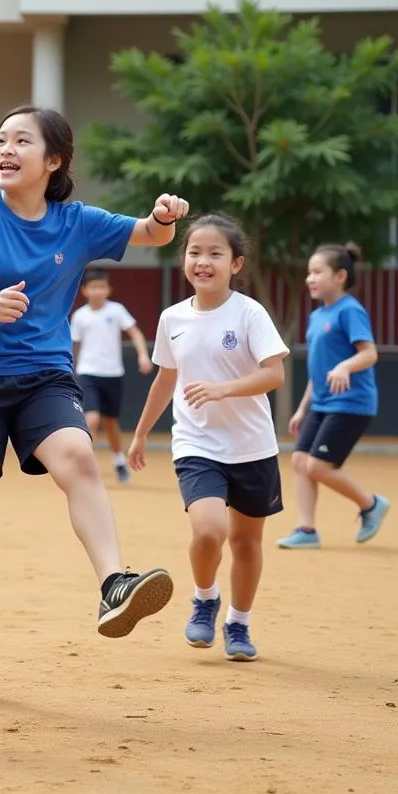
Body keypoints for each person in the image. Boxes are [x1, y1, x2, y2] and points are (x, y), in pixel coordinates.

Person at [0, 104, 188, 682]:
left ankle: (113, 583)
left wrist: (167, 216)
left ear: (55, 160)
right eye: (0, 139)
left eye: (21, 140)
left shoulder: (77, 222)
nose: (5, 150)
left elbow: (148, 233)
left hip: (44, 375)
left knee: (77, 459)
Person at [128, 213, 289, 662]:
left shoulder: (249, 313)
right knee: (208, 531)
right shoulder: (172, 318)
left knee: (245, 542)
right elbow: (165, 380)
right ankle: (205, 598)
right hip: (197, 445)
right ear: (183, 260)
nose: (203, 261)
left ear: (235, 264)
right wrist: (141, 434)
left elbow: (273, 373)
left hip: (252, 446)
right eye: (194, 252)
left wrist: (223, 389)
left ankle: (238, 622)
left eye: (215, 253)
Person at [277, 243, 389, 549]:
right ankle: (307, 530)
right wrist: (302, 409)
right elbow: (318, 372)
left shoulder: (350, 310)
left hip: (351, 403)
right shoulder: (317, 317)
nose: (309, 279)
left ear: (340, 275)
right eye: (308, 273)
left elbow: (369, 354)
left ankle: (370, 504)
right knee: (300, 460)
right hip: (322, 403)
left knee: (318, 466)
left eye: (317, 272)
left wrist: (344, 366)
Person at [71, 266, 153, 484]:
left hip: (113, 374)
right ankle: (84, 465)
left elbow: (134, 332)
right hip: (87, 372)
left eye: (102, 287)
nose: (98, 291)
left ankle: (118, 460)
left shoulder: (116, 310)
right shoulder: (80, 316)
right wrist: (70, 369)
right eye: (93, 287)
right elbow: (74, 346)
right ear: (85, 291)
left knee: (110, 422)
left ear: (108, 289)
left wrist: (143, 355)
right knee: (92, 417)